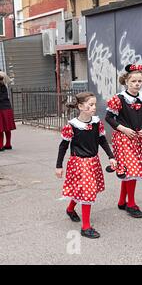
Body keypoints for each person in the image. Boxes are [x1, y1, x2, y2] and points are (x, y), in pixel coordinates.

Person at [55, 92, 117, 238]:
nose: (94, 107)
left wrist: (111, 156)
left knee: (83, 190)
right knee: (87, 192)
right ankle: (86, 227)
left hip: (93, 162)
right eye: (90, 105)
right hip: (79, 163)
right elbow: (63, 146)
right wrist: (59, 166)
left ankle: (70, 209)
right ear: (81, 106)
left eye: (95, 104)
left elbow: (102, 141)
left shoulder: (96, 122)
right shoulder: (72, 126)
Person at [105, 64, 142, 218]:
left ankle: (121, 201)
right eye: (133, 81)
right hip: (123, 137)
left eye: (139, 81)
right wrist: (123, 129)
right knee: (132, 170)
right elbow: (108, 118)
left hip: (137, 137)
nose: (136, 84)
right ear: (126, 81)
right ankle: (131, 204)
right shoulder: (119, 99)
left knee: (129, 171)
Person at [0, 72, 15, 152]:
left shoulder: (2, 87)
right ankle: (8, 144)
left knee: (1, 128)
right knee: (6, 128)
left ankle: (1, 145)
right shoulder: (3, 86)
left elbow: (2, 98)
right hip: (6, 108)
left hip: (2, 109)